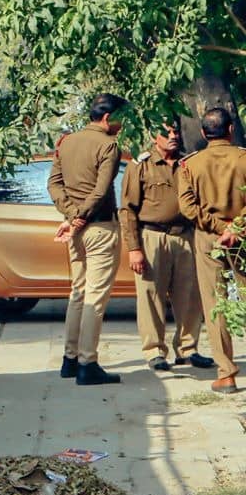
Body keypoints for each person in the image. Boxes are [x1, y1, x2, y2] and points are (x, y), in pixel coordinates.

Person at [48, 94, 127, 385]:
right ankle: (87, 363)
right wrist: (80, 216)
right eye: (120, 119)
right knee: (95, 297)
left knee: (78, 294)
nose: (122, 125)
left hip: (77, 230)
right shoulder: (108, 145)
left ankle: (70, 358)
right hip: (99, 228)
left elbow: (54, 184)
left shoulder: (67, 142)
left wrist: (72, 216)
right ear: (107, 118)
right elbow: (101, 191)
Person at [120, 124, 213, 372]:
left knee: (190, 295)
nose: (173, 137)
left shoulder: (187, 163)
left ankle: (188, 349)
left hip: (185, 236)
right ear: (154, 136)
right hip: (152, 236)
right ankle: (154, 351)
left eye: (175, 132)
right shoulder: (140, 165)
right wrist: (134, 248)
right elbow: (127, 210)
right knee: (151, 296)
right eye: (166, 133)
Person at [177, 108, 243, 394]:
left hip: (208, 239)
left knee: (216, 303)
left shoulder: (190, 165)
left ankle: (226, 374)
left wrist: (219, 227)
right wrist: (235, 227)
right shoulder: (243, 159)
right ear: (231, 130)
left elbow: (187, 207)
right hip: (242, 239)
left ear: (204, 133)